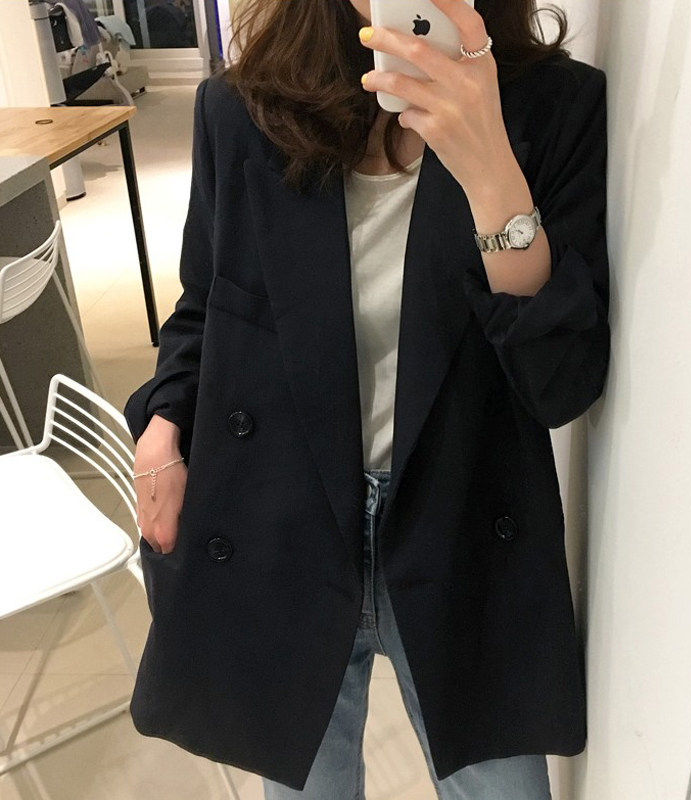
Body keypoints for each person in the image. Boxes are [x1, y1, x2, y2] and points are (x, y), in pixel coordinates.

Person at [125, 0, 611, 797]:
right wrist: (163, 423)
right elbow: (206, 301)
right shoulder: (243, 111)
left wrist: (489, 164)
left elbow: (559, 385)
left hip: (463, 525)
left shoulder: (553, 106)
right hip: (283, 524)